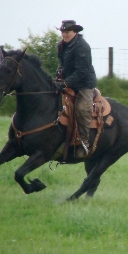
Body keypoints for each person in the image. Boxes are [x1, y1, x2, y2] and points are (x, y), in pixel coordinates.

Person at [54, 20, 97, 158]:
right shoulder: (62, 45)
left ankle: (84, 143)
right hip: (68, 80)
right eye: (63, 32)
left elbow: (81, 72)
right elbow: (63, 65)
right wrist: (59, 77)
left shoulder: (82, 47)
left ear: (75, 32)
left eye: (67, 32)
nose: (64, 35)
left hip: (84, 84)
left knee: (82, 109)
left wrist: (64, 84)